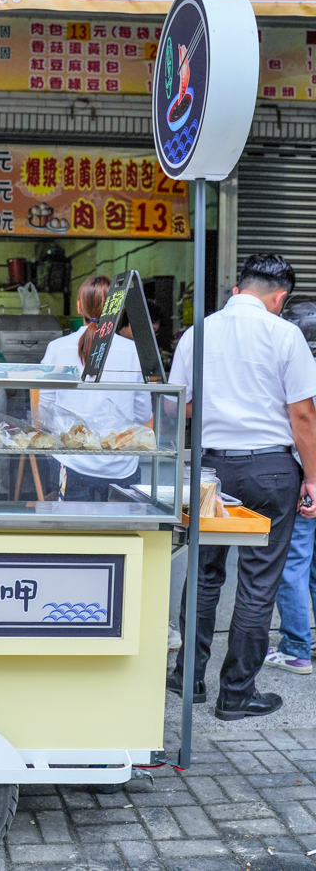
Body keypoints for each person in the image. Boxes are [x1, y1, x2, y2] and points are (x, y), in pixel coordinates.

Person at [166, 254, 316, 720]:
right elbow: (303, 416)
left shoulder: (199, 332)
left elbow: (176, 408)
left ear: (237, 290)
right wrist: (313, 476)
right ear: (279, 297)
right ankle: (236, 695)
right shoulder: (285, 334)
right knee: (258, 580)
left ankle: (188, 679)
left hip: (209, 470)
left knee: (204, 574)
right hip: (271, 471)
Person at [39, 275, 152, 502]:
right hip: (122, 465)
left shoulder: (57, 348)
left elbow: (45, 410)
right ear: (118, 309)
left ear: (79, 306)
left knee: (75, 534)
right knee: (121, 536)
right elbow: (142, 414)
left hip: (72, 462)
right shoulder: (132, 351)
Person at [264, 508, 316, 674]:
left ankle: (296, 649)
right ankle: (300, 644)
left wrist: (310, 481)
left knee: (292, 565)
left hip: (305, 496)